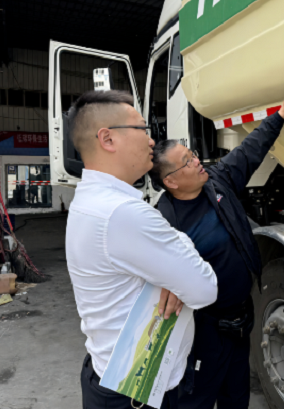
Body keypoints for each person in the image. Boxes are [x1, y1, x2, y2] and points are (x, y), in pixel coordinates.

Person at [150, 77, 284, 409]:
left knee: (237, 397)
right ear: (171, 180)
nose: (197, 161)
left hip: (240, 323)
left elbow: (249, 151)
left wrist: (281, 114)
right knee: (197, 401)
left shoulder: (217, 181)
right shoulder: (163, 222)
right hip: (204, 332)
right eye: (188, 161)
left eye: (193, 154)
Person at [65, 90, 218, 409]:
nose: (151, 140)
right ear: (107, 139)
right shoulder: (123, 214)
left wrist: (171, 268)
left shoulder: (90, 200)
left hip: (111, 379)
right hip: (137, 394)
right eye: (141, 129)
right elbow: (204, 289)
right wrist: (178, 255)